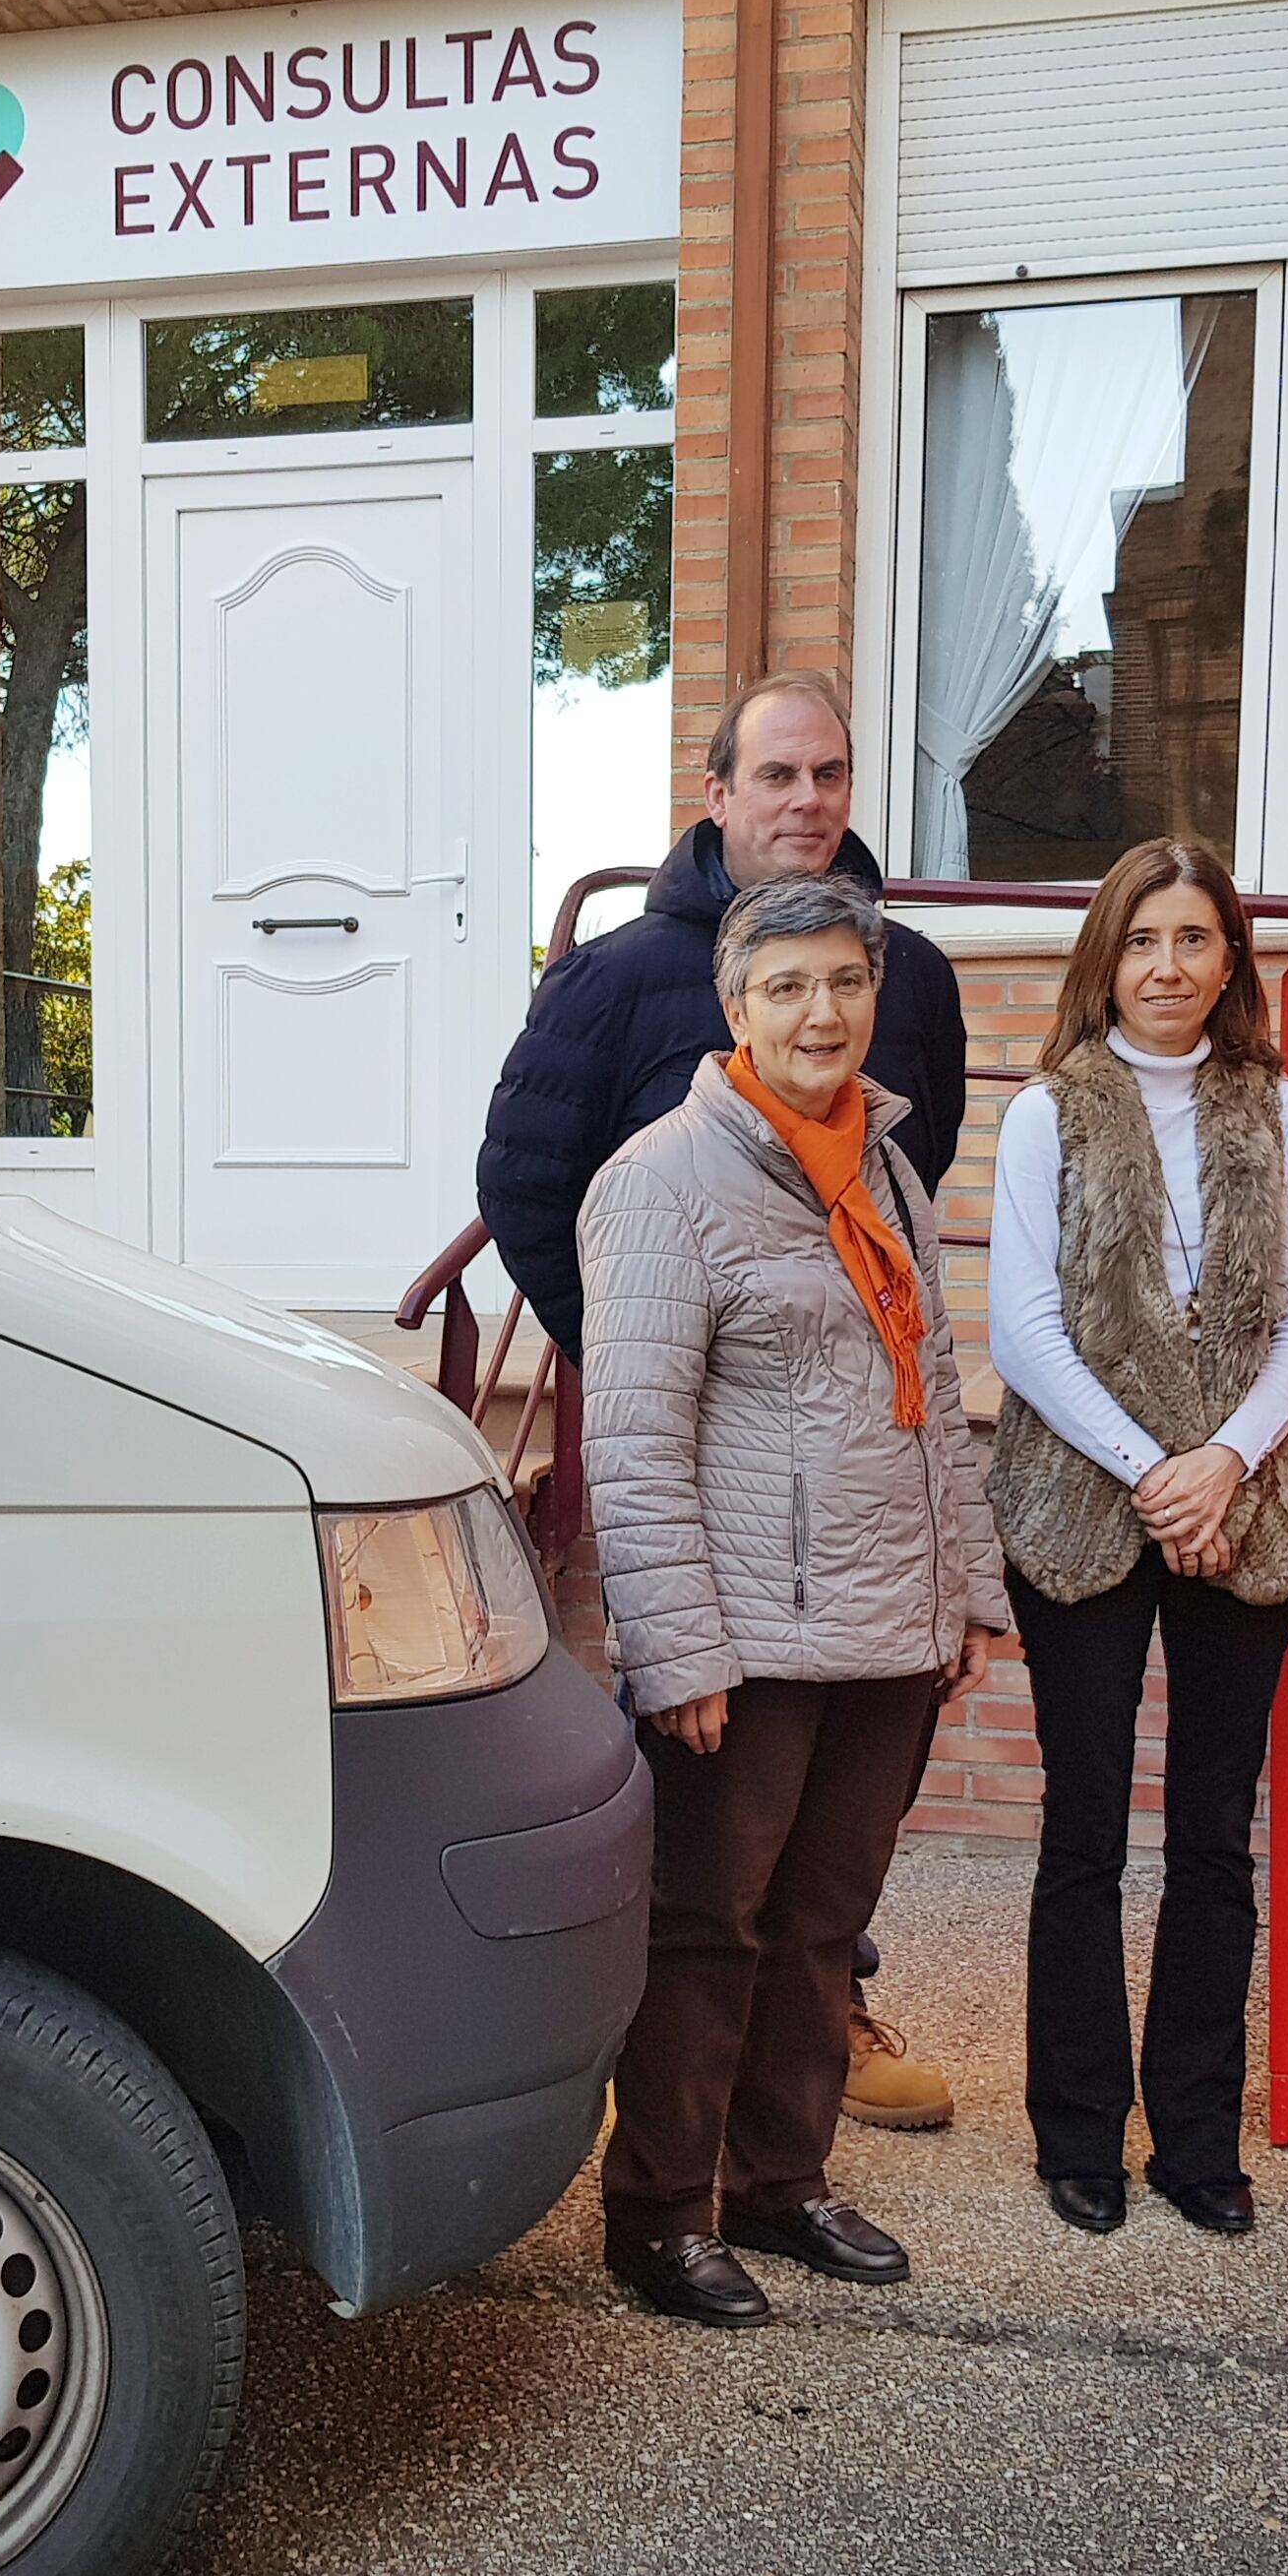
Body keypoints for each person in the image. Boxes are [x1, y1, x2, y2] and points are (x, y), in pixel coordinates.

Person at [477, 670, 969, 2134]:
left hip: (852, 1511)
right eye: (776, 777)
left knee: (821, 1872)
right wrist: (649, 1360)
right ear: (715, 795)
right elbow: (521, 1184)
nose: (807, 802)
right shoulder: (618, 975)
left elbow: (901, 1203)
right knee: (715, 1871)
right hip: (706, 1498)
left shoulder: (914, 979)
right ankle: (676, 2171)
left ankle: (797, 2109)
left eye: (829, 774)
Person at [577, 880, 1012, 2326]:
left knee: (825, 1924)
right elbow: (631, 1439)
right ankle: (656, 2212)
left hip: (886, 1624)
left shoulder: (881, 1163)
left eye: (842, 981)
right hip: (746, 1639)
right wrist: (674, 1650)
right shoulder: (658, 1179)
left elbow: (931, 1389)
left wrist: (964, 1592)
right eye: (786, 988)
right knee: (709, 1927)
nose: (819, 1013)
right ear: (733, 1005)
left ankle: (779, 2184)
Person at [983, 836, 1288, 2239]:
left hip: (1246, 1501)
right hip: (1080, 1505)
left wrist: (1225, 1461)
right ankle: (1075, 2135)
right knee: (1082, 1834)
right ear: (1104, 959)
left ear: (1228, 961)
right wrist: (1153, 1471)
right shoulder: (1045, 1113)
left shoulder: (1276, 1109)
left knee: (1211, 1840)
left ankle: (1195, 2139)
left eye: (1193, 941)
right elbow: (1022, 1329)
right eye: (1142, 941)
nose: (1167, 969)